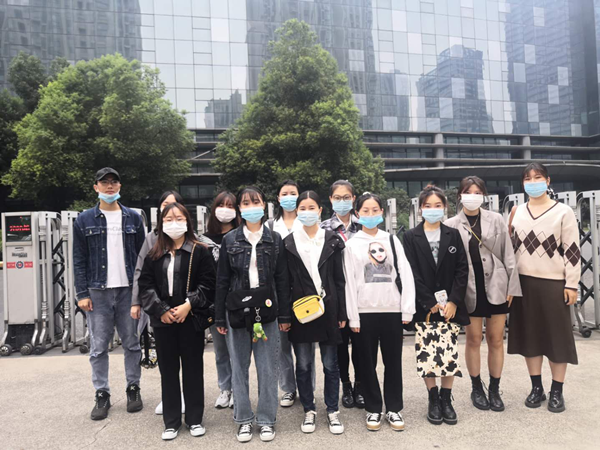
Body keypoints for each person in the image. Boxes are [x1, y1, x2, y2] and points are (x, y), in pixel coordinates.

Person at [215, 186, 291, 443]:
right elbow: (222, 280)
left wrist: (284, 316)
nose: (251, 207)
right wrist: (219, 317)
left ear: (264, 205)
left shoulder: (275, 239)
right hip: (236, 311)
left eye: (255, 202)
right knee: (239, 367)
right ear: (240, 208)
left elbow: (282, 279)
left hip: (267, 310)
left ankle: (267, 419)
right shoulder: (230, 240)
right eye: (246, 203)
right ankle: (244, 419)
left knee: (268, 368)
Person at [139, 203, 216, 440]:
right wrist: (161, 310)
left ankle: (194, 419)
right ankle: (171, 422)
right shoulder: (154, 253)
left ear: (188, 222)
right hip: (163, 321)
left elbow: (208, 284)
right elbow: (145, 286)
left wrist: (188, 304)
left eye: (179, 218)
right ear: (161, 223)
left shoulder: (200, 251)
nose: (174, 223)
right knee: (168, 371)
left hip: (190, 317)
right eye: (169, 219)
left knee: (193, 369)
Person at [73, 167, 146, 420]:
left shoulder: (133, 218)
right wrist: (82, 293)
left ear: (120, 186)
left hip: (128, 290)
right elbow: (79, 259)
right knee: (98, 347)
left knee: (132, 343)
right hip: (98, 292)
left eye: (114, 182)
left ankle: (133, 388)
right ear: (96, 187)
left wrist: (141, 293)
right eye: (104, 182)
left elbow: (142, 258)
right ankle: (102, 393)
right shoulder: (84, 219)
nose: (110, 186)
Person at [507, 163, 580, 413]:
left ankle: (557, 390)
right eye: (528, 179)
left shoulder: (563, 212)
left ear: (548, 181)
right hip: (523, 283)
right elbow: (510, 250)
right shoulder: (517, 212)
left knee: (557, 338)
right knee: (530, 337)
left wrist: (571, 284)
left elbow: (572, 251)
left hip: (553, 283)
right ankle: (536, 387)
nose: (533, 182)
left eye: (538, 177)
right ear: (522, 183)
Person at [445, 176, 522, 412]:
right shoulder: (451, 225)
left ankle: (495, 389)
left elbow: (508, 254)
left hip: (497, 283)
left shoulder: (496, 219)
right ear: (460, 195)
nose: (473, 196)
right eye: (468, 192)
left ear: (484, 195)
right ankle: (476, 387)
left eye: (478, 192)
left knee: (496, 339)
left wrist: (513, 286)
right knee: (473, 338)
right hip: (469, 287)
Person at [343, 193, 416, 432]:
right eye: (365, 211)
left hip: (392, 311)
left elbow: (406, 274)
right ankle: (373, 408)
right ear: (357, 214)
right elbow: (349, 282)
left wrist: (407, 309)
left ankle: (394, 408)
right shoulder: (351, 245)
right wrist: (353, 316)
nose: (370, 214)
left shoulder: (392, 240)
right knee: (367, 363)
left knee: (393, 362)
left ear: (382, 213)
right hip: (364, 313)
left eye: (375, 210)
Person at [402, 185, 469, 426]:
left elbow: (462, 269)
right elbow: (409, 271)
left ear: (445, 207)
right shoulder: (410, 237)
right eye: (428, 205)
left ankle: (446, 398)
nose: (433, 209)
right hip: (425, 306)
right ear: (420, 208)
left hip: (450, 306)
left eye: (437, 205)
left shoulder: (453, 234)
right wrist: (429, 301)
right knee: (428, 352)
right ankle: (433, 398)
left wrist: (454, 301)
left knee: (448, 351)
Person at [284, 191, 346, 435]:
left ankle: (332, 410)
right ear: (296, 211)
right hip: (300, 310)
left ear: (320, 210)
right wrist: (284, 316)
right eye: (303, 208)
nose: (307, 212)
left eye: (312, 208)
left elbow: (339, 280)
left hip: (328, 309)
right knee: (304, 364)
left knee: (331, 364)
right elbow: (284, 282)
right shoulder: (288, 242)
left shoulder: (332, 240)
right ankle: (309, 410)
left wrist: (342, 312)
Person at [131, 190, 186, 416]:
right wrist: (136, 302)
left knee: (188, 356)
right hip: (158, 307)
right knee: (165, 356)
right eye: (165, 205)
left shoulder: (190, 237)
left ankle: (187, 396)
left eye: (174, 205)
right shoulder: (152, 239)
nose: (169, 209)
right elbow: (140, 272)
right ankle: (170, 397)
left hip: (185, 308)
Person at [320, 180, 364, 409]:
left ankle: (360, 385)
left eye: (346, 197)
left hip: (361, 295)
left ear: (353, 198)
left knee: (361, 344)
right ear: (330, 200)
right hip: (335, 295)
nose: (342, 201)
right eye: (337, 197)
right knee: (340, 344)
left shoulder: (364, 225)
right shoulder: (323, 228)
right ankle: (345, 385)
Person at [199, 191, 240, 409]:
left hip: (238, 300)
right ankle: (225, 388)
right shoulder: (203, 240)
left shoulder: (241, 236)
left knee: (238, 350)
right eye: (221, 205)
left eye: (230, 206)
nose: (225, 210)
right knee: (221, 350)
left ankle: (239, 389)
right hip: (214, 302)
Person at [268, 180, 303, 407]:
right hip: (278, 291)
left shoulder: (308, 221)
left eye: (293, 193)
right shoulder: (270, 226)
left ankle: (306, 387)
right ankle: (288, 388)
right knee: (281, 346)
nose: (289, 197)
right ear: (278, 199)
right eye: (285, 193)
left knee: (304, 345)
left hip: (303, 291)